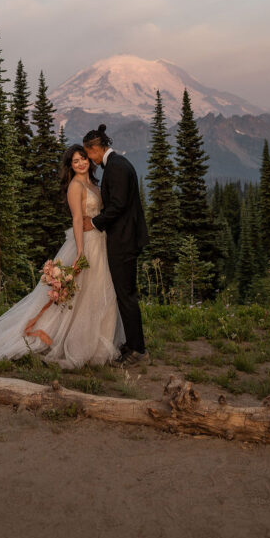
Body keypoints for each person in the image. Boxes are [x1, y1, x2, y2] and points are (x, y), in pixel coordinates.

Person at [0, 144, 124, 370]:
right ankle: (78, 345)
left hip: (100, 242)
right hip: (87, 244)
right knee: (84, 296)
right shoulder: (75, 186)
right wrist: (80, 252)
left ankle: (100, 346)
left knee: (103, 293)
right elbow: (76, 220)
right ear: (70, 166)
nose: (81, 163)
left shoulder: (92, 183)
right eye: (75, 161)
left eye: (83, 158)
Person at [83, 123, 149, 366]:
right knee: (125, 294)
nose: (89, 159)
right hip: (124, 239)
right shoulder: (117, 164)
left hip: (124, 240)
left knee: (126, 295)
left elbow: (118, 205)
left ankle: (138, 350)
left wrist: (95, 222)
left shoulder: (116, 168)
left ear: (96, 150)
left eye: (88, 153)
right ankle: (133, 343)